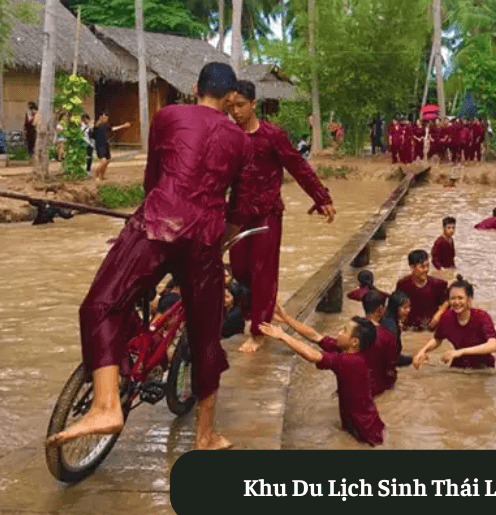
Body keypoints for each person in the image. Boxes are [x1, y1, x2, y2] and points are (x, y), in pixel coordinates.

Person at [46, 62, 249, 451]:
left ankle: (106, 404)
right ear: (229, 98)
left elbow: (153, 179)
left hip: (158, 225)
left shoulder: (168, 116)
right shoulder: (240, 140)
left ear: (195, 88)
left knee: (101, 305)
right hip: (205, 237)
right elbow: (235, 207)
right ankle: (205, 434)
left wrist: (150, 214)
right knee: (206, 334)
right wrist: (220, 240)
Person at [227, 79, 335, 354]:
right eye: (231, 106)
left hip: (267, 214)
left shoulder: (272, 135)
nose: (235, 112)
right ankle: (262, 307)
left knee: (262, 271)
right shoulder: (228, 135)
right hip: (237, 214)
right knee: (239, 270)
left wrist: (320, 197)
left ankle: (259, 330)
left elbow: (298, 166)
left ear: (253, 104)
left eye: (240, 105)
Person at [259, 317, 384, 446]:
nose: (339, 333)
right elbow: (315, 336)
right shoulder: (345, 350)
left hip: (363, 427)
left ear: (354, 342)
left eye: (344, 331)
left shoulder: (351, 361)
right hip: (361, 420)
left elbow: (313, 355)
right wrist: (285, 317)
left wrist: (283, 336)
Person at [413, 275, 496, 369]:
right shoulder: (446, 317)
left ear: (469, 299)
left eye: (460, 298)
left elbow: (493, 346)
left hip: (484, 368)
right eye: (453, 298)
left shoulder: (482, 317)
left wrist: (461, 352)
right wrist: (423, 351)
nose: (456, 302)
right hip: (459, 365)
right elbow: (437, 339)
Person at [396, 249, 449, 331]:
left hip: (431, 327)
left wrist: (438, 315)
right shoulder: (403, 285)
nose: (426, 270)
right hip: (411, 328)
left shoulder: (438, 284)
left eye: (427, 266)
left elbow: (447, 301)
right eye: (422, 267)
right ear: (412, 267)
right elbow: (396, 304)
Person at [361, 291, 398, 395]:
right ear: (380, 309)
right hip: (376, 390)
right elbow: (390, 369)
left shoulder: (350, 330)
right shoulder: (387, 336)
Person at [92, 110, 131, 181]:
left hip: (106, 144)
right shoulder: (96, 125)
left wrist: (123, 126)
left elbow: (112, 128)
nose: (106, 119)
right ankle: (96, 175)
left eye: (107, 118)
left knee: (107, 161)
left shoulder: (106, 125)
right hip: (100, 145)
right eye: (104, 118)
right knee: (103, 161)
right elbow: (93, 132)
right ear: (100, 117)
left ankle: (102, 175)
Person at [381, 290, 413, 367]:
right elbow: (392, 359)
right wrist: (412, 359)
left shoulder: (386, 318)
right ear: (395, 308)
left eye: (409, 307)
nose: (408, 310)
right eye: (404, 307)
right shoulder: (391, 328)